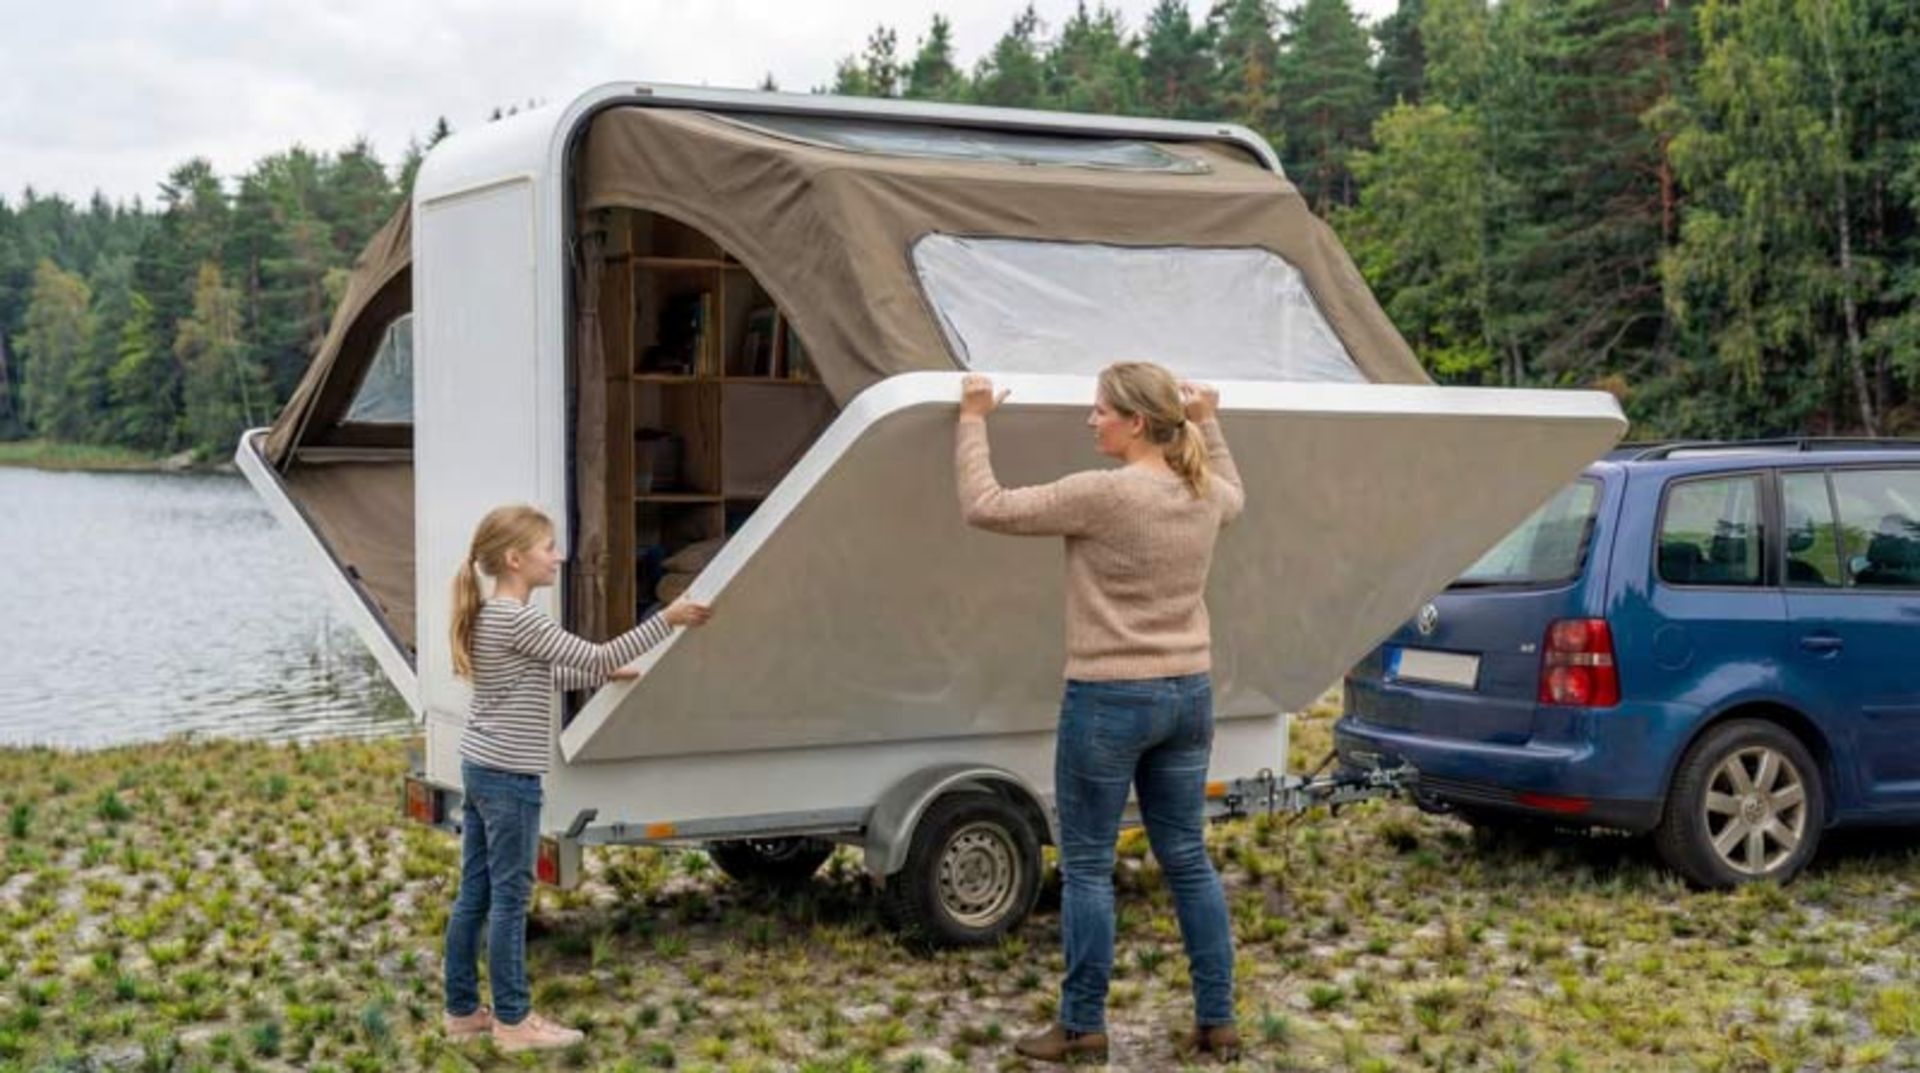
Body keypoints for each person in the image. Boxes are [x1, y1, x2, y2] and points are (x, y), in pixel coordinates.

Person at [954, 363, 1244, 1064]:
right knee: (1188, 859)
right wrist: (1209, 417)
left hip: (1110, 697)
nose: (1091, 421)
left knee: (1086, 865)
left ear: (1135, 423)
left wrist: (971, 417)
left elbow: (984, 505)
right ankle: (1219, 1019)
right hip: (1188, 694)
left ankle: (1082, 1025)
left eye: (1100, 411)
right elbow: (1236, 491)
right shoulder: (1203, 492)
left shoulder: (1103, 495)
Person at [440, 504, 712, 1052]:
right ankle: (515, 1024)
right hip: (510, 778)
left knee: (476, 894)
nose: (557, 557)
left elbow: (538, 675)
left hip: (480, 765)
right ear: (515, 559)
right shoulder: (521, 618)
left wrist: (601, 670)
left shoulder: (494, 615)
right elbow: (598, 653)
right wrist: (669, 619)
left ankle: (463, 1012)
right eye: (547, 548)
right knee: (510, 902)